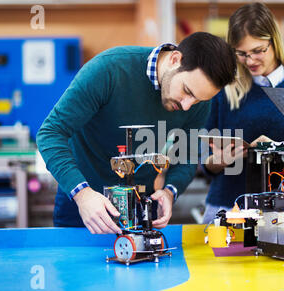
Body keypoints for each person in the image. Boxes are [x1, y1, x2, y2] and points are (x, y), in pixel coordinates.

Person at [36, 32, 237, 234]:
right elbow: (50, 133)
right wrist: (82, 194)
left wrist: (169, 192)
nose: (187, 106)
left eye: (198, 100)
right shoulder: (109, 69)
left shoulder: (198, 100)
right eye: (187, 91)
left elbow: (186, 156)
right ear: (175, 59)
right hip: (81, 209)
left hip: (140, 212)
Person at [201, 2, 284, 224]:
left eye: (258, 51)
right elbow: (203, 159)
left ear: (274, 42)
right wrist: (218, 161)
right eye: (241, 53)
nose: (250, 61)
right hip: (230, 207)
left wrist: (277, 150)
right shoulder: (224, 91)